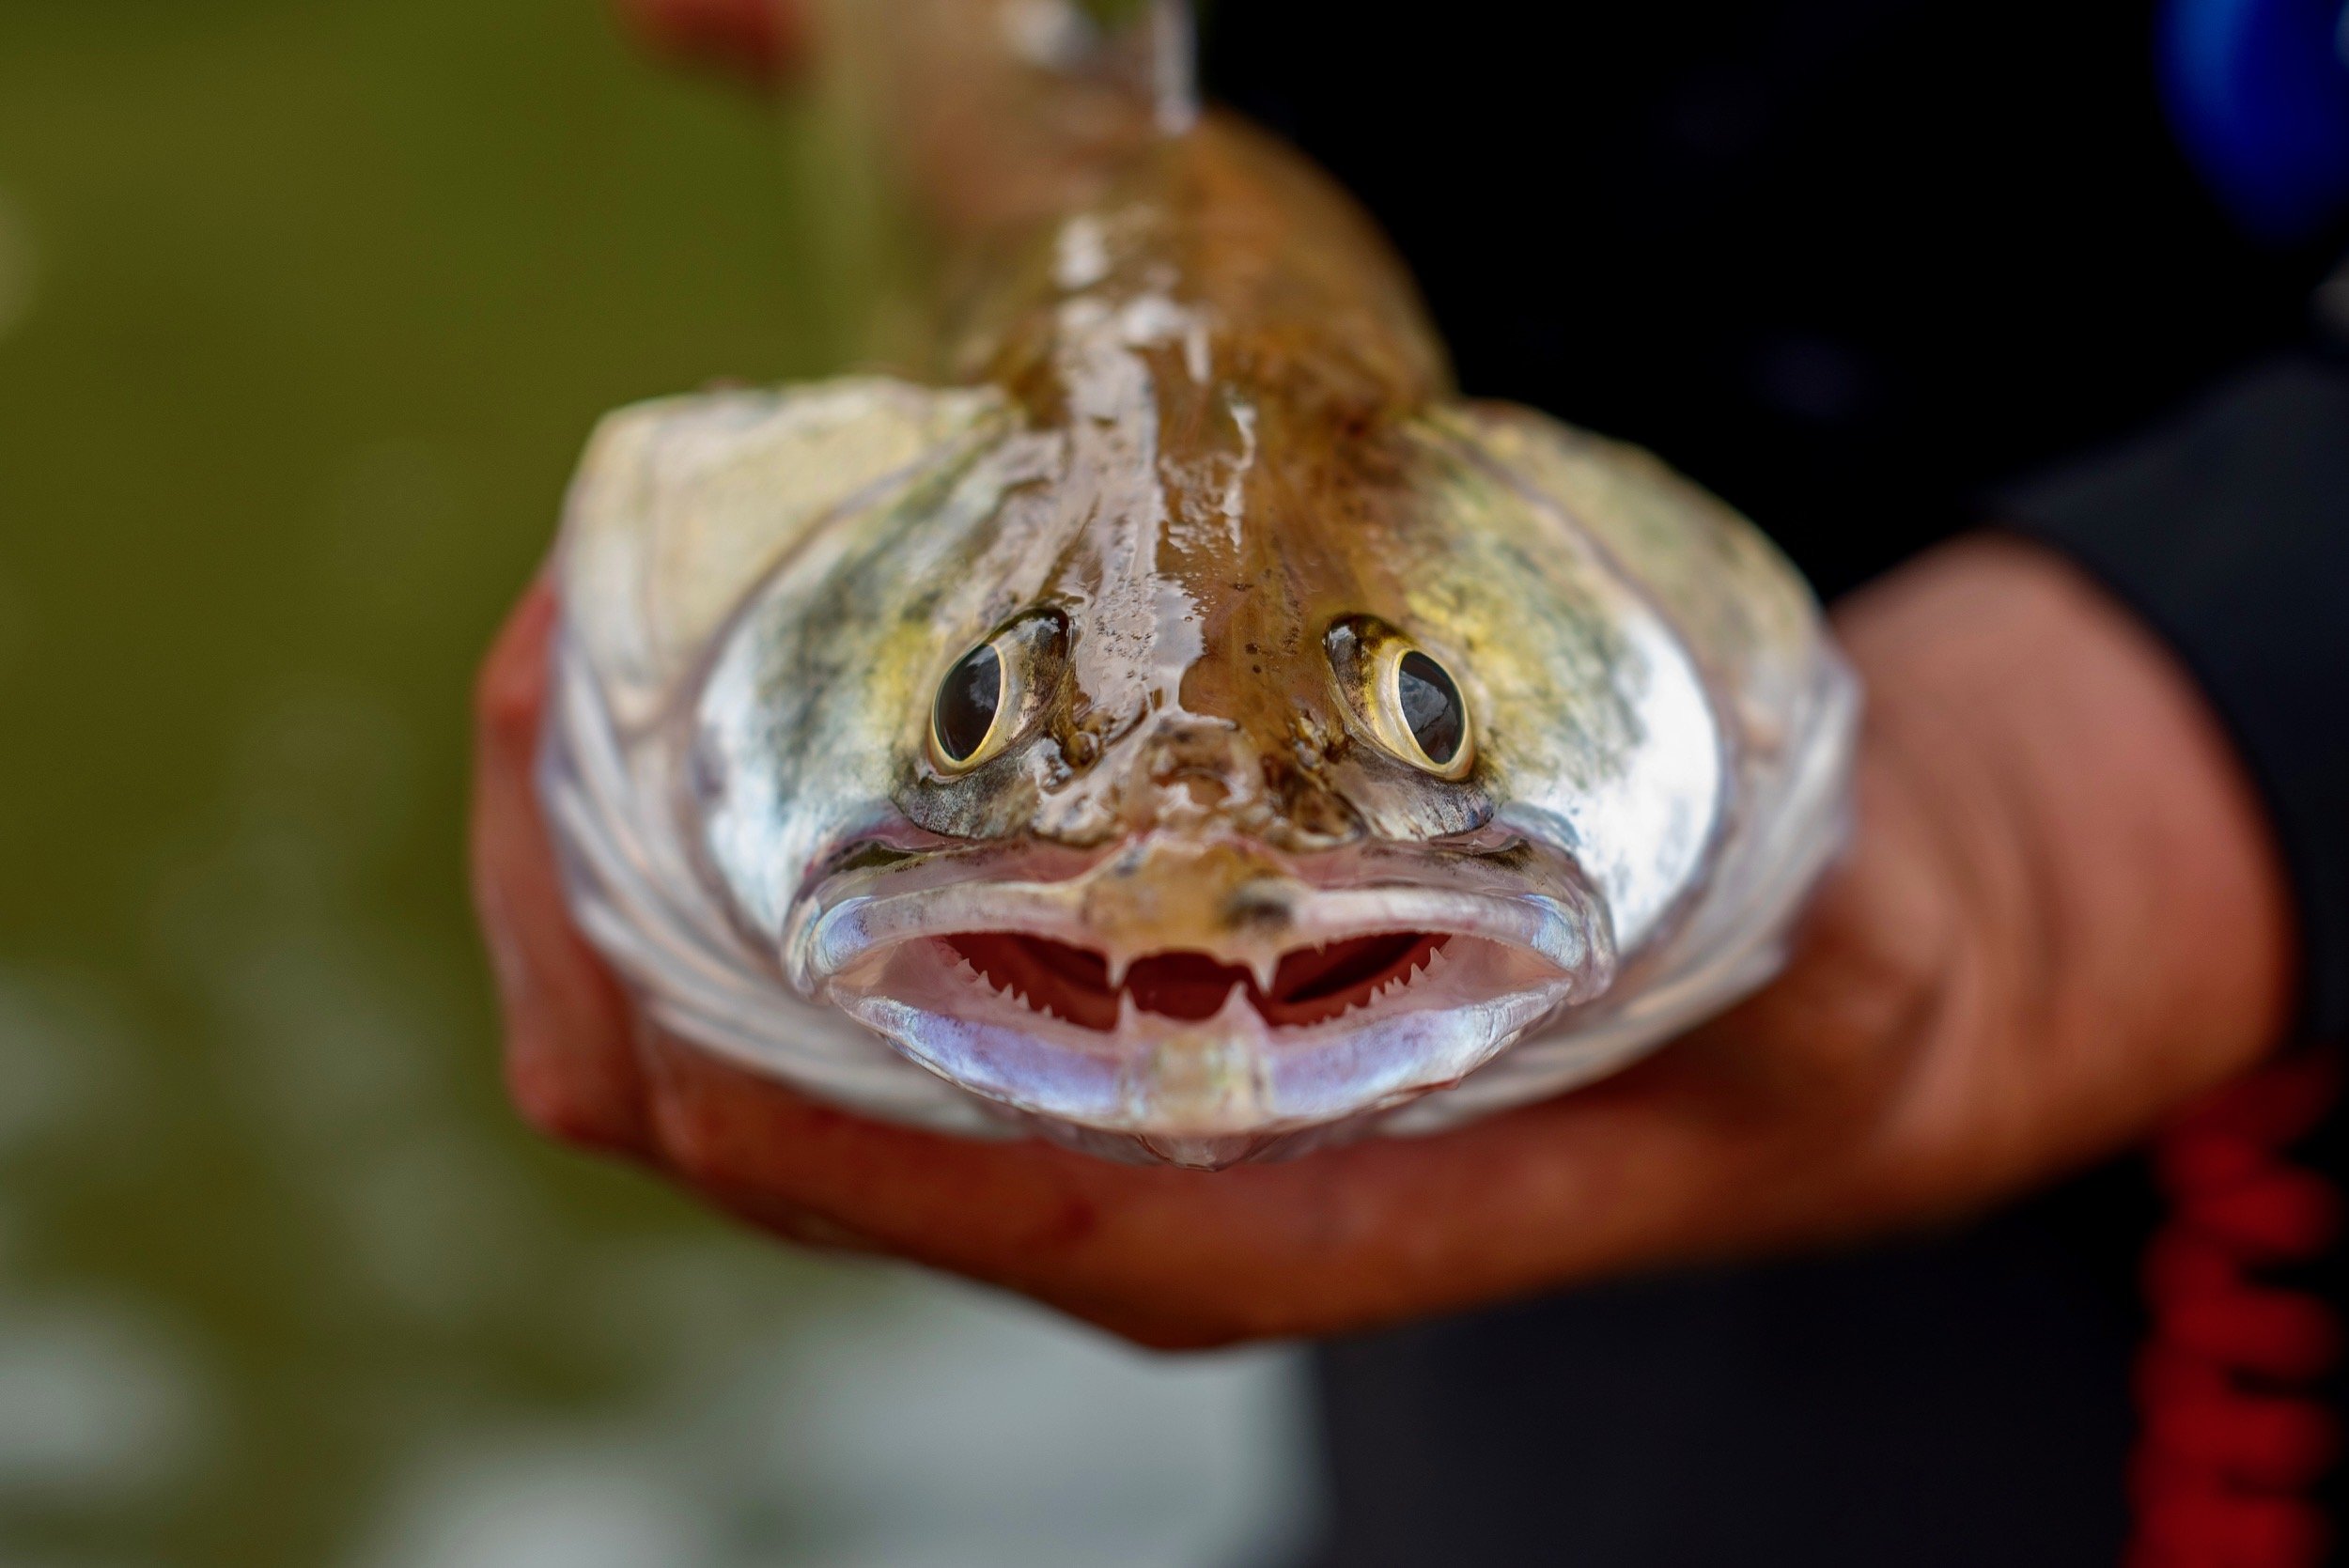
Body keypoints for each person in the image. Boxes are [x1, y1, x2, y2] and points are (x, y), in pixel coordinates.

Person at [472, 1, 2349, 1560]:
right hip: (1566, 998)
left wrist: (2172, 735)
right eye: (978, 715)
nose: (1170, 894)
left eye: (1410, 717)